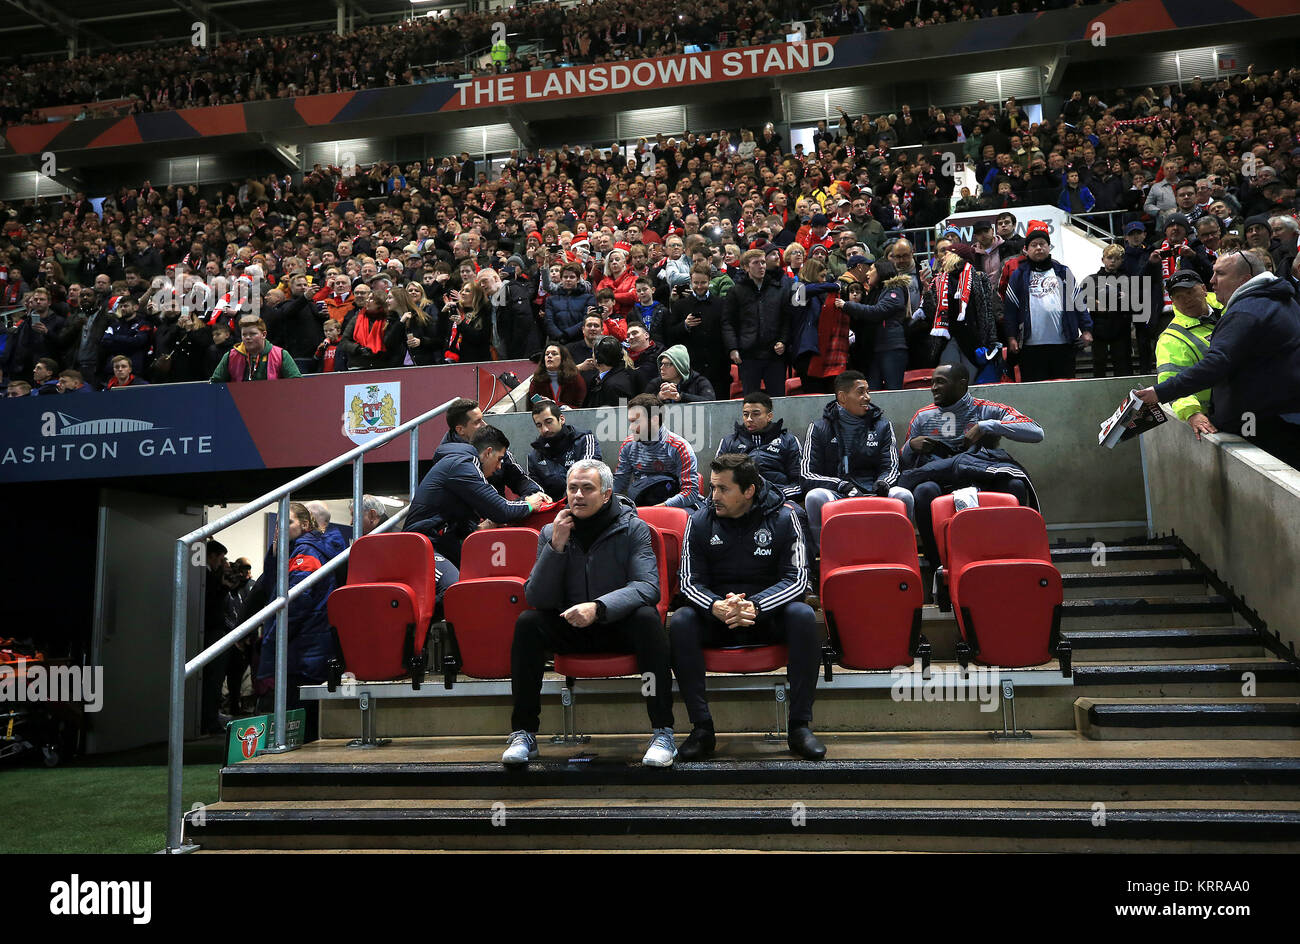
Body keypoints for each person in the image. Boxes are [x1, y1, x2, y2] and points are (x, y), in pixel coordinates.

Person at [503, 459, 676, 768]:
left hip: (617, 625)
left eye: (587, 488)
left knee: (649, 620)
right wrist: (555, 547)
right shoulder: (550, 532)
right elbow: (536, 597)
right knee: (528, 624)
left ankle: (663, 732)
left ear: (606, 494)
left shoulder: (633, 528)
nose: (578, 496)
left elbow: (648, 587)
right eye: (572, 488)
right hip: (571, 628)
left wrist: (599, 607)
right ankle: (524, 734)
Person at [672, 453, 824, 761]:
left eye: (723, 489)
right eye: (712, 487)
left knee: (803, 615)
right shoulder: (699, 521)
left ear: (749, 490)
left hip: (768, 616)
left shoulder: (785, 516)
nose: (713, 496)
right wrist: (716, 606)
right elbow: (688, 582)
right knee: (681, 622)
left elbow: (797, 580)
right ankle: (702, 729)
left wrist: (754, 606)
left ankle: (799, 727)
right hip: (717, 618)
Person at [1135, 251, 1300, 467]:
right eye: (1178, 296)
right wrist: (1191, 411)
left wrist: (1159, 393)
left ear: (1244, 280)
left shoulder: (1243, 311)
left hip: (1263, 422)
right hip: (1268, 416)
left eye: (1219, 274)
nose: (1212, 280)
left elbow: (1218, 361)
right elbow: (1170, 375)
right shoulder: (1279, 300)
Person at [898, 364, 1045, 572]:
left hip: (980, 479)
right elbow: (904, 463)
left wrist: (987, 426)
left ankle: (1011, 556)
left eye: (940, 382)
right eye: (932, 382)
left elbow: (1036, 431)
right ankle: (937, 566)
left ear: (962, 384)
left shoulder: (986, 409)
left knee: (1015, 485)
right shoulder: (922, 416)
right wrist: (911, 447)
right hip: (942, 482)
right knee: (923, 491)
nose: (933, 387)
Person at [405, 425, 546, 567]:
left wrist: (478, 527)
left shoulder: (460, 462)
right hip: (421, 546)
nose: (499, 467)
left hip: (440, 544)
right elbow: (502, 511)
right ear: (488, 452)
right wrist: (528, 504)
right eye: (499, 459)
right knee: (454, 587)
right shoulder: (463, 465)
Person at [802, 371, 913, 550]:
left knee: (903, 495)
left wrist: (883, 483)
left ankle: (899, 553)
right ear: (842, 397)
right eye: (860, 392)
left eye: (868, 391)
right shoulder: (819, 428)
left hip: (875, 490)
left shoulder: (882, 426)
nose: (867, 397)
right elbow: (807, 475)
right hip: (839, 492)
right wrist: (840, 485)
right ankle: (824, 557)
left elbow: (891, 467)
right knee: (814, 497)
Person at [254, 502, 337, 743]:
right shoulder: (296, 550)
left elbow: (296, 603)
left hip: (304, 652)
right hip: (303, 649)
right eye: (278, 522)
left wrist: (269, 640)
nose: (281, 527)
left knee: (301, 725)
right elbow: (271, 585)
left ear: (304, 524)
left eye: (287, 522)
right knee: (301, 724)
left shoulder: (307, 553)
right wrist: (275, 550)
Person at [1003, 220, 1092, 380]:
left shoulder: (1063, 272)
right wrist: (1010, 337)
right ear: (1026, 249)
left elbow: (1079, 302)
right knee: (1035, 393)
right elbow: (1010, 310)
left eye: (1042, 244)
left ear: (1049, 247)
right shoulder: (1019, 275)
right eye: (1034, 245)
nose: (1038, 247)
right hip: (1030, 348)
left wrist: (1086, 330)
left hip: (1063, 344)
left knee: (1066, 391)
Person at [1153, 270, 1223, 439]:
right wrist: (1192, 413)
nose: (1187, 300)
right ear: (1174, 303)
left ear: (1204, 289)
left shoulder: (1229, 305)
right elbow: (1171, 381)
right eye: (1179, 297)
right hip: (1216, 415)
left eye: (1191, 292)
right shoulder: (1170, 340)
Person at [438, 397, 548, 501]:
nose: (484, 425)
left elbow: (519, 478)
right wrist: (525, 503)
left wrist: (535, 494)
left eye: (483, 419)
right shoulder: (450, 459)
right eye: (477, 422)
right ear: (460, 430)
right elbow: (488, 504)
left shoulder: (492, 440)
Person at [612, 393, 702, 509]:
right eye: (631, 422)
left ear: (654, 420)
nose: (631, 428)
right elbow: (619, 483)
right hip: (640, 504)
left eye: (636, 422)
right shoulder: (628, 445)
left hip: (675, 507)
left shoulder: (679, 447)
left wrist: (658, 509)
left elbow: (691, 492)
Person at [713, 391, 804, 502]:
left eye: (756, 414)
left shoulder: (788, 441)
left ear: (769, 416)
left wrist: (773, 496)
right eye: (746, 414)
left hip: (780, 500)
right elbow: (717, 480)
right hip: (739, 502)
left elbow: (799, 483)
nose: (749, 419)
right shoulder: (729, 442)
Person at [837, 257, 911, 390]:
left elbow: (878, 311)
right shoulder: (876, 292)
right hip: (875, 349)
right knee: (872, 390)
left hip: (891, 347)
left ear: (881, 271)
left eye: (871, 269)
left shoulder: (894, 289)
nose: (867, 273)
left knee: (893, 390)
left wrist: (847, 306)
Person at [723, 248, 789, 395]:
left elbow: (786, 319)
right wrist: (733, 348)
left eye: (763, 262)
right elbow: (728, 322)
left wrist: (783, 341)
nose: (761, 266)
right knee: (751, 399)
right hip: (749, 354)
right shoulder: (736, 291)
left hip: (774, 353)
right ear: (746, 267)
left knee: (777, 398)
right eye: (756, 263)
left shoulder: (777, 289)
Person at [665, 262, 729, 400]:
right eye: (696, 283)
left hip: (718, 367)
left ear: (709, 281)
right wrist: (685, 325)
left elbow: (726, 330)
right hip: (692, 368)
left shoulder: (721, 303)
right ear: (690, 281)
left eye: (703, 282)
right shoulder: (680, 305)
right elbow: (670, 334)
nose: (699, 286)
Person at [526, 398, 601, 501]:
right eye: (539, 425)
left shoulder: (584, 440)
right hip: (554, 508)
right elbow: (534, 488)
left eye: (548, 422)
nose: (545, 429)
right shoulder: (535, 455)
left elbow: (588, 472)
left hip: (585, 501)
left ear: (561, 419)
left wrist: (565, 504)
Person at [1081, 244, 1137, 378]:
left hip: (1121, 329)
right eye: (1109, 257)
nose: (1113, 261)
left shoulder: (1128, 280)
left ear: (1121, 261)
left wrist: (1127, 299)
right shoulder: (1091, 279)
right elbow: (1079, 300)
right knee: (1099, 366)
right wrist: (1094, 303)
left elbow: (1137, 304)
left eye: (1117, 258)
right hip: (1099, 329)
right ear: (1103, 259)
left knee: (1122, 366)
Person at [210, 316, 303, 382]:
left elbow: (296, 383)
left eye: (252, 334)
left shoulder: (281, 354)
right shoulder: (230, 356)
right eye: (244, 334)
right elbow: (215, 383)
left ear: (264, 334)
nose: (247, 337)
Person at [582, 334, 641, 408]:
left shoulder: (615, 386)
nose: (592, 355)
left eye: (593, 352)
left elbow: (621, 416)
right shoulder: (598, 378)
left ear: (598, 358)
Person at [646, 344, 716, 403]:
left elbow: (711, 403)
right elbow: (642, 407)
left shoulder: (699, 381)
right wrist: (659, 397)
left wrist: (680, 397)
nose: (661, 367)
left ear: (679, 366)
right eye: (661, 364)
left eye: (667, 364)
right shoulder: (655, 384)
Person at [543, 262, 594, 342]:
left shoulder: (588, 298)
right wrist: (559, 336)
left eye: (572, 277)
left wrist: (567, 334)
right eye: (565, 277)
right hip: (556, 342)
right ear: (561, 279)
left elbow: (586, 320)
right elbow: (548, 321)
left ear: (578, 279)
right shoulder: (551, 300)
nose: (568, 280)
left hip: (579, 341)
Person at [527, 342, 587, 408]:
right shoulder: (537, 380)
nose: (549, 356)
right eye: (547, 354)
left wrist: (555, 404)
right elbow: (534, 407)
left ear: (563, 359)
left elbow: (580, 408)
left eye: (554, 354)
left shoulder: (575, 379)